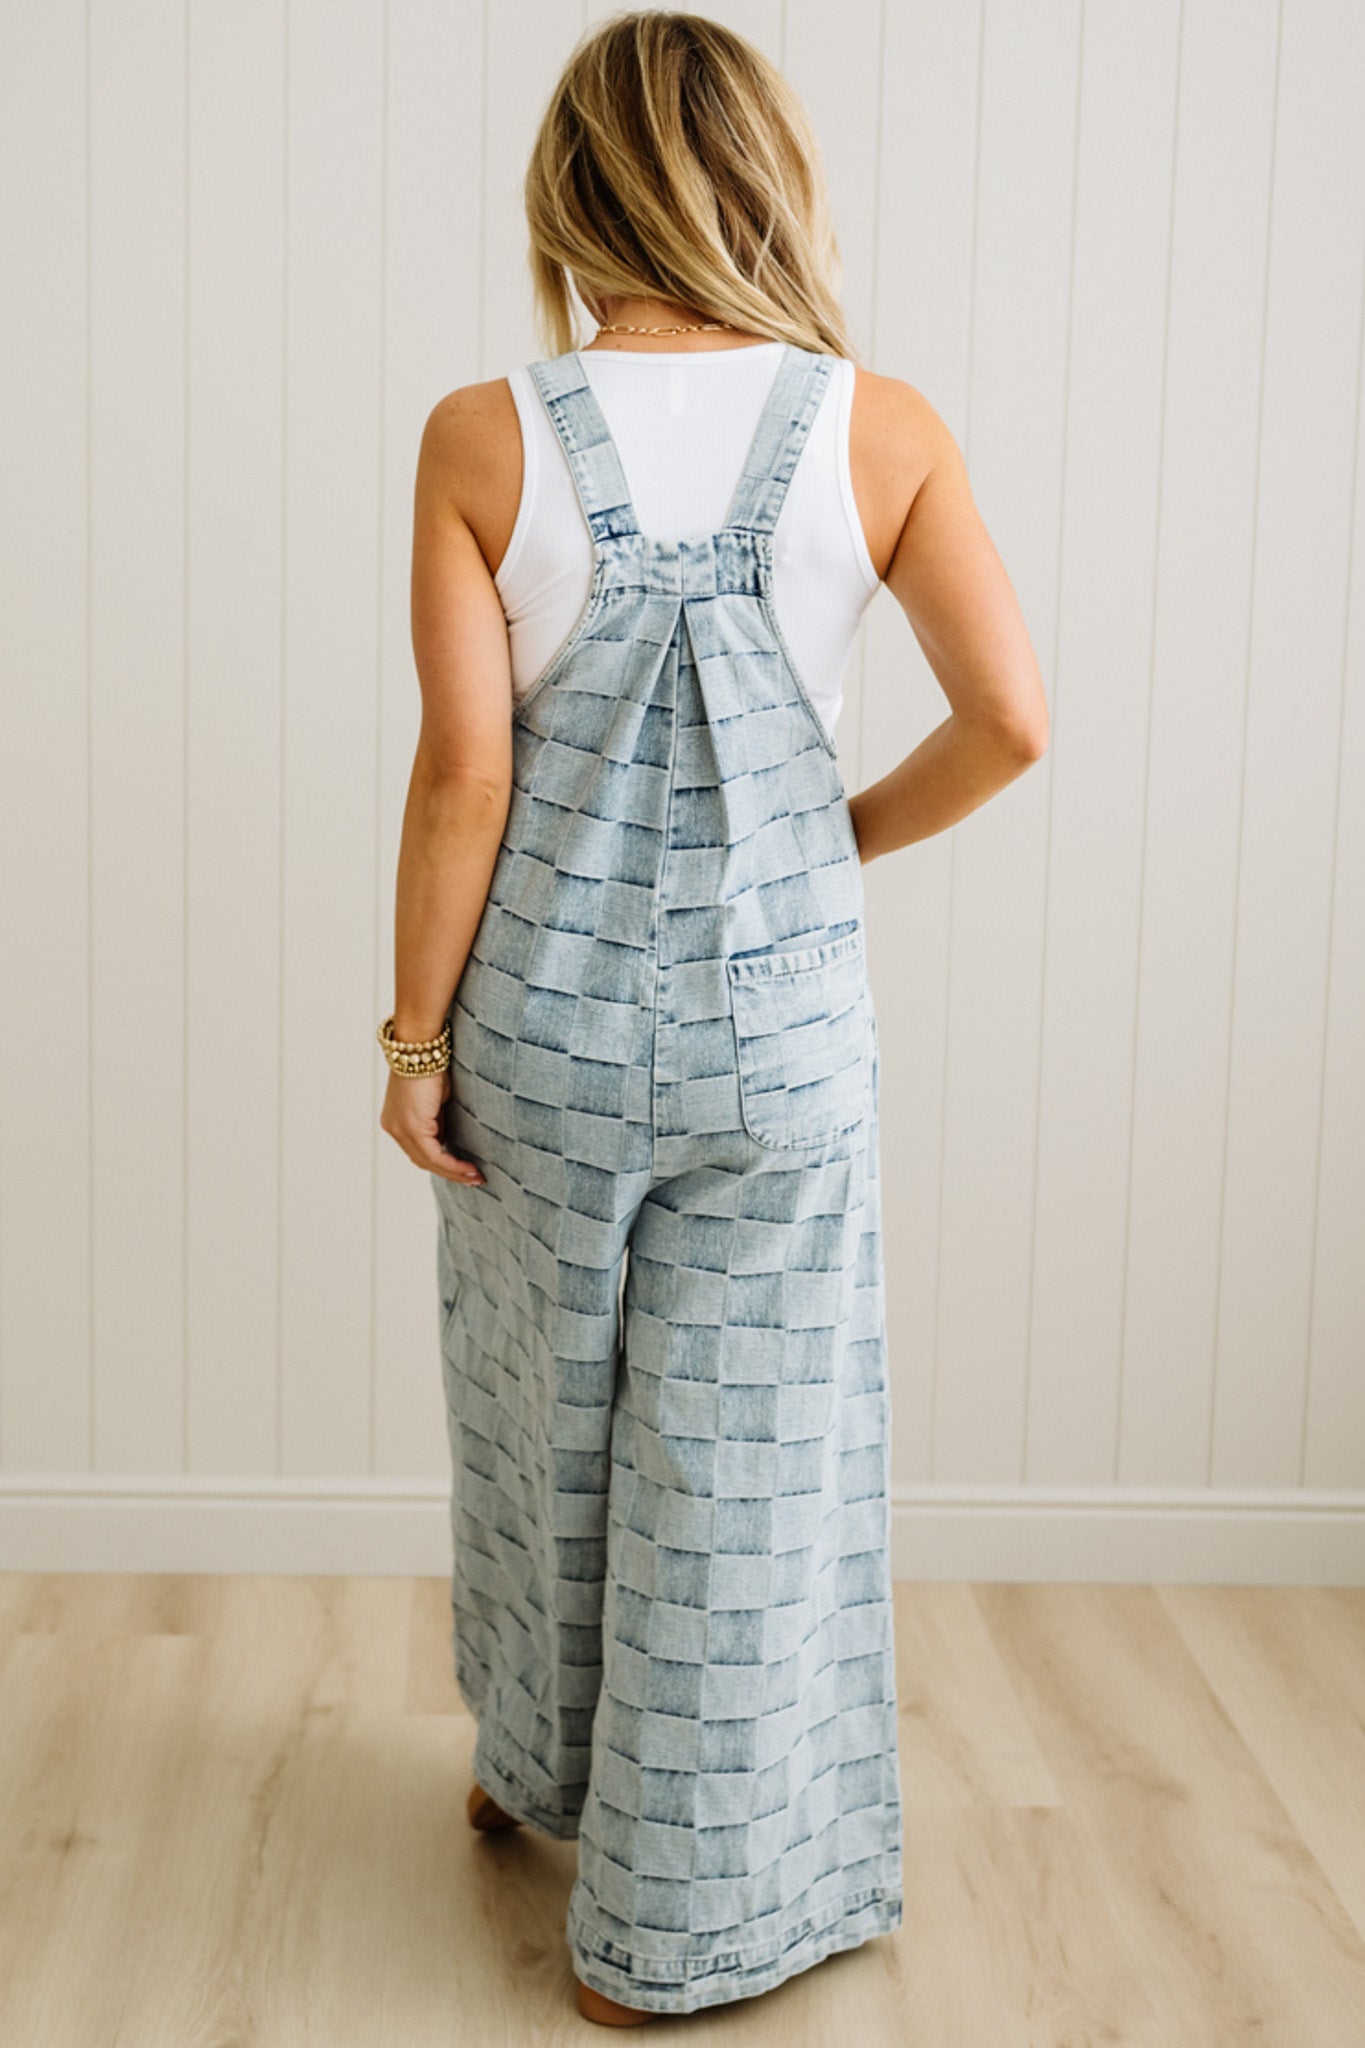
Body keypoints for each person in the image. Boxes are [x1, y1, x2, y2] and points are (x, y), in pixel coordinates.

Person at [378, 8, 1047, 2025]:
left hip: (546, 1042)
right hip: (778, 1045)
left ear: (568, 193)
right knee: (741, 1471)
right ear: (763, 179)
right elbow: (1011, 721)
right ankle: (679, 1930)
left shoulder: (486, 433)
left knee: (537, 1422)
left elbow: (460, 777)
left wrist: (414, 1041)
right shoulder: (881, 426)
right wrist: (829, 833)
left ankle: (535, 1769)